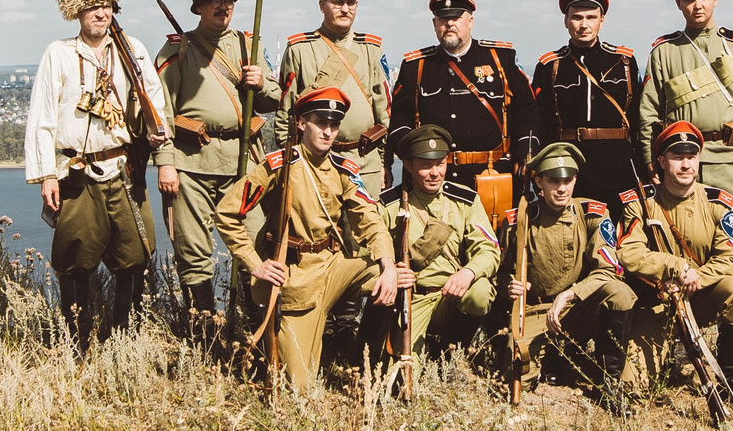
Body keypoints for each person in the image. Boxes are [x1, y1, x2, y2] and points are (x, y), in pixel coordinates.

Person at [551, 121, 733, 413]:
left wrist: (692, 278)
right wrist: (675, 267)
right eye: (677, 157)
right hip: (655, 306)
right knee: (633, 385)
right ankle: (661, 358)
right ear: (661, 162)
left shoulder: (717, 203)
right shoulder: (639, 203)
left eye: (691, 157)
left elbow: (732, 257)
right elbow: (627, 252)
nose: (686, 165)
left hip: (699, 298)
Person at [24, 0, 169, 349]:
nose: (101, 12)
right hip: (77, 171)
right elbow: (42, 117)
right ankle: (78, 344)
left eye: (106, 4)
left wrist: (158, 134)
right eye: (92, 5)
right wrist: (46, 175)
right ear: (77, 11)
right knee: (75, 260)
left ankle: (125, 343)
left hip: (123, 168)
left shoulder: (132, 49)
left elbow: (154, 100)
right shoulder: (59, 53)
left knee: (135, 257)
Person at [216, 85, 390, 395]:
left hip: (334, 267)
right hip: (295, 276)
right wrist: (256, 266)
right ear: (300, 123)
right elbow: (227, 214)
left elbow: (370, 221)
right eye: (320, 122)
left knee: (397, 279)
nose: (328, 132)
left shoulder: (344, 170)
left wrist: (388, 265)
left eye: (334, 125)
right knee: (299, 389)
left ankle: (367, 359)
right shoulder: (278, 166)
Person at [153, 0, 270, 335]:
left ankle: (255, 328)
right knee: (193, 247)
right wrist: (165, 164)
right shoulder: (179, 49)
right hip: (192, 161)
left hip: (242, 160)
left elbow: (277, 99)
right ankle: (203, 330)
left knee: (254, 240)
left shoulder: (249, 46)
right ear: (199, 8)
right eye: (215, 1)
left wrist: (261, 82)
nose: (224, 7)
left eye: (229, 1)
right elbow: (160, 112)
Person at [635, 0, 733, 248]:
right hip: (678, 164)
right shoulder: (663, 52)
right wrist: (651, 165)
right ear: (678, 3)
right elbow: (648, 114)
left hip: (731, 163)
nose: (697, 5)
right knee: (683, 249)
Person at [389, 0, 536, 208]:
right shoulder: (416, 66)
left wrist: (525, 150)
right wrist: (411, 156)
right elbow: (399, 119)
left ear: (470, 21)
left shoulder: (500, 59)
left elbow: (526, 110)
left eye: (456, 17)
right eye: (442, 18)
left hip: (492, 177)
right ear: (434, 24)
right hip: (434, 180)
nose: (449, 24)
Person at [498, 141, 618, 406]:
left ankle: (604, 372)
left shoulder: (593, 214)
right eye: (553, 181)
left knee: (619, 294)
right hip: (535, 310)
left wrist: (571, 294)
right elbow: (502, 272)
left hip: (577, 308)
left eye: (568, 180)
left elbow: (608, 271)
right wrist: (509, 287)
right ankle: (553, 356)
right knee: (514, 377)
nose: (562, 188)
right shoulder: (520, 220)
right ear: (539, 182)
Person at [379, 124, 500, 355]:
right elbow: (368, 253)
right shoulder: (389, 205)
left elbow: (490, 249)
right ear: (407, 164)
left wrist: (469, 272)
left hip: (453, 298)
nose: (435, 173)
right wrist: (391, 270)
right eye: (425, 165)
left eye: (440, 164)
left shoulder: (465, 200)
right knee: (401, 372)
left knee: (480, 292)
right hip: (414, 298)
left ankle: (452, 351)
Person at [528, 0, 642, 215]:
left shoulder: (624, 62)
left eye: (591, 17)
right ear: (566, 21)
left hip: (617, 166)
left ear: (602, 20)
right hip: (569, 168)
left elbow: (638, 117)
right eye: (577, 17)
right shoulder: (550, 65)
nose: (584, 25)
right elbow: (540, 122)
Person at [275, 0, 390, 166]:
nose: (345, 9)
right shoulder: (300, 49)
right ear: (322, 5)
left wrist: (383, 162)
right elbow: (286, 110)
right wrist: (288, 161)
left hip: (365, 161)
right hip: (315, 161)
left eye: (351, 3)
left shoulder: (371, 49)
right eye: (338, 2)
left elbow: (383, 110)